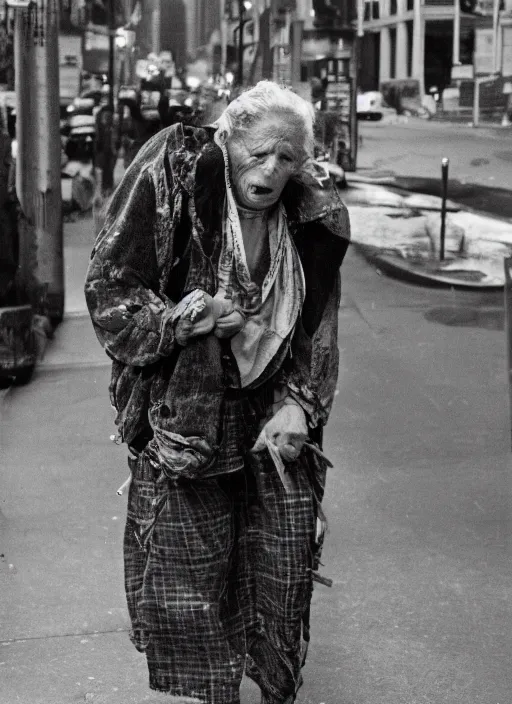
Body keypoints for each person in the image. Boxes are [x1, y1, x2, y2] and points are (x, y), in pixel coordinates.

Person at [85, 80, 350, 704]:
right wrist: (187, 319)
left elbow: (320, 322)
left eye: (286, 158)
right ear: (228, 139)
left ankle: (272, 686)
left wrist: (302, 405)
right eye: (258, 153)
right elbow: (110, 290)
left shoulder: (314, 214)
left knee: (279, 569)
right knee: (191, 579)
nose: (270, 169)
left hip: (271, 409)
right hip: (186, 410)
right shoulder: (172, 176)